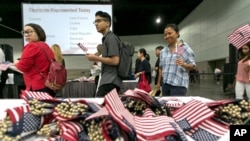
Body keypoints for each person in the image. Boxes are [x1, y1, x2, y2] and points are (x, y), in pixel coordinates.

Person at [86, 11, 122, 97]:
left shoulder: (111, 38)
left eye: (98, 21)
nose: (96, 24)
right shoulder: (107, 38)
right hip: (108, 80)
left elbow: (115, 60)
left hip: (110, 81)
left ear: (107, 23)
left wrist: (96, 58)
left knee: (99, 106)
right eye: (95, 22)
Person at [14, 23, 56, 97]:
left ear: (38, 32)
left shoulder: (31, 46)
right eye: (24, 32)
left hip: (36, 86)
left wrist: (16, 63)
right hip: (48, 84)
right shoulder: (45, 46)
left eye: (29, 31)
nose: (26, 34)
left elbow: (22, 67)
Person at [155, 23, 196, 96]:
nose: (167, 36)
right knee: (166, 106)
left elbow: (193, 66)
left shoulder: (183, 48)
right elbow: (161, 68)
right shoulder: (163, 51)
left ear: (177, 33)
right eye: (165, 35)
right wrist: (158, 83)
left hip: (178, 86)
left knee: (176, 107)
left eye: (170, 33)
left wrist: (184, 65)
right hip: (165, 85)